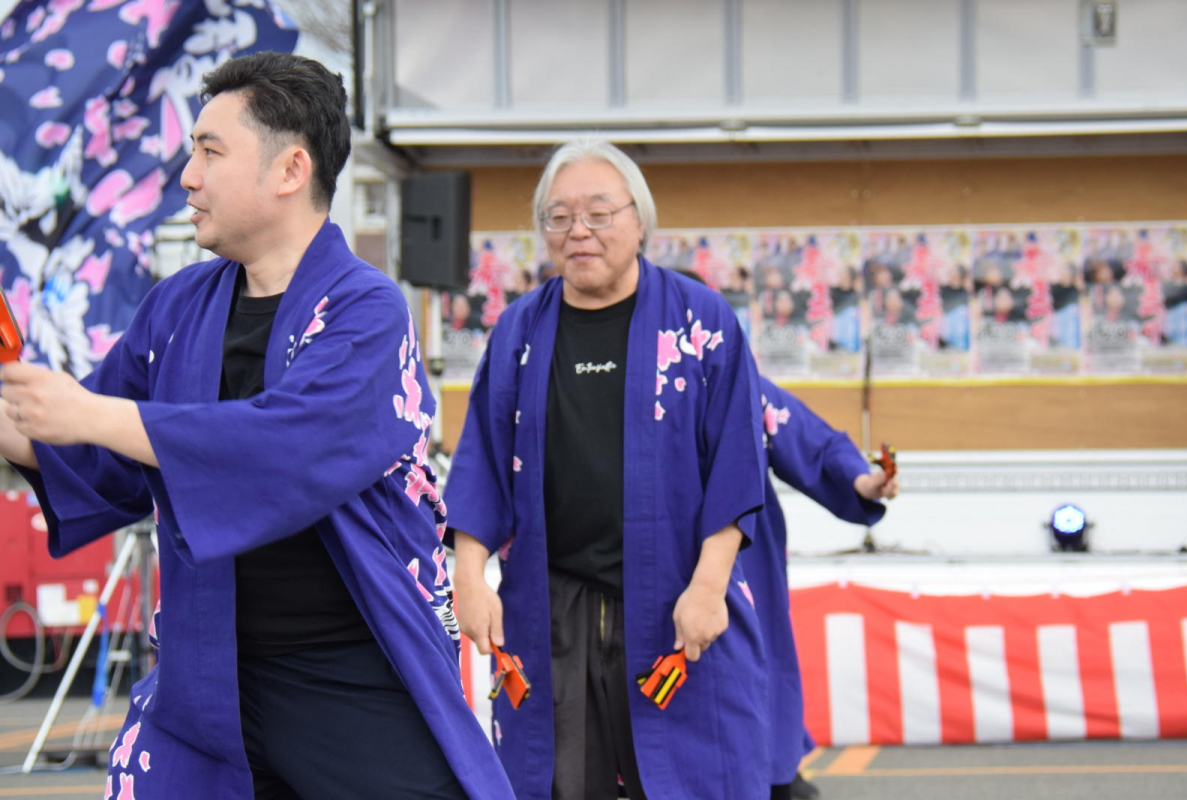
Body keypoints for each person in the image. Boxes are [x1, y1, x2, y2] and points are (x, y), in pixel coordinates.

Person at [0, 52, 512, 800]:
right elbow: (88, 453)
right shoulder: (177, 308)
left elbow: (288, 448)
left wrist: (93, 413)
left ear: (290, 170)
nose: (188, 177)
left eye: (210, 152)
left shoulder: (367, 309)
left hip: (351, 669)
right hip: (204, 675)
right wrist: (27, 414)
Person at [445, 138, 769, 800]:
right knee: (557, 783)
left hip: (677, 601)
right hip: (551, 611)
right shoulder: (518, 331)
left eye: (599, 212)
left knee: (692, 779)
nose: (579, 231)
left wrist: (709, 588)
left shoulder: (701, 321)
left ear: (639, 221)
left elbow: (736, 465)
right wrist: (469, 578)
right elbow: (480, 463)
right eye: (559, 217)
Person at [751, 378, 898, 800]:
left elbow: (813, 441)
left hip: (745, 562)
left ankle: (777, 774)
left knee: (759, 670)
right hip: (657, 561)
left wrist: (859, 479)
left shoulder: (736, 373)